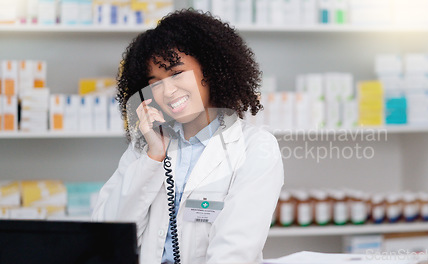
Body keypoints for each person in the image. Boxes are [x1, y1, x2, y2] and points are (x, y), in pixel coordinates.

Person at [91, 9, 284, 264]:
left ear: (212, 70)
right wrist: (153, 159)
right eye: (155, 82)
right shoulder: (147, 147)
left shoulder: (256, 148)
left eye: (177, 73)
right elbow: (107, 236)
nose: (167, 91)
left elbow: (235, 250)